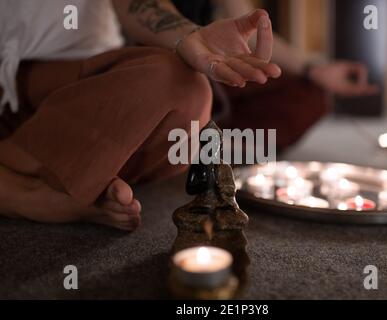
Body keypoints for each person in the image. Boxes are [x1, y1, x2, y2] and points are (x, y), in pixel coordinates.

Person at [0, 0, 281, 231]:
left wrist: (189, 35)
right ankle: (21, 190)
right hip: (11, 83)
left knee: (185, 87)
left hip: (91, 79)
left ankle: (58, 171)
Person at [173, 0, 379, 149]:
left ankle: (211, 140)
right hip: (171, 63)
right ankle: (192, 139)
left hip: (215, 70)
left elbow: (248, 28)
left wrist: (314, 69)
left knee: (310, 96)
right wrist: (188, 41)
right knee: (168, 82)